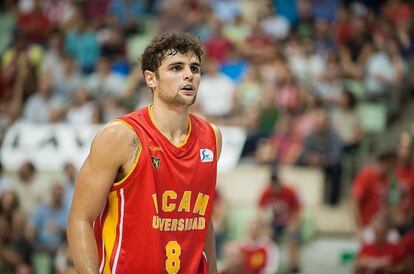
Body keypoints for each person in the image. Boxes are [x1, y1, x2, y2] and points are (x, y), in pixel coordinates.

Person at [67, 31, 222, 274]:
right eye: (176, 68)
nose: (189, 75)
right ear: (151, 79)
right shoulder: (121, 136)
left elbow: (203, 219)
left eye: (194, 68)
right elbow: (80, 220)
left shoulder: (212, 137)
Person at [258, 170, 301, 273]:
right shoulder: (267, 192)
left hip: (288, 222)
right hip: (273, 223)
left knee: (292, 236)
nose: (274, 190)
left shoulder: (290, 192)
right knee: (265, 237)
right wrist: (265, 225)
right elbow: (260, 210)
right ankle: (266, 265)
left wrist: (292, 225)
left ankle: (293, 265)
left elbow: (297, 212)